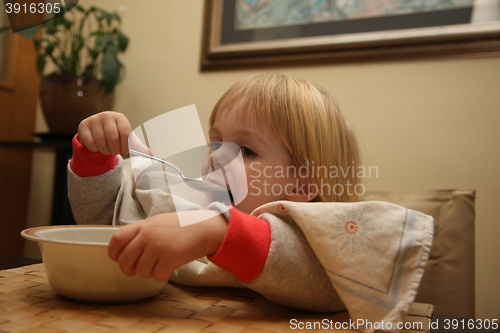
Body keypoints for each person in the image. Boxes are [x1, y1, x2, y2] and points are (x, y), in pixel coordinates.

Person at [68, 73, 433, 326]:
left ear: (304, 184)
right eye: (216, 142)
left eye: (245, 149)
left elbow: (331, 279)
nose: (215, 157)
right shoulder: (187, 198)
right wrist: (95, 157)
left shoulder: (312, 235)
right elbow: (104, 223)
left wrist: (217, 232)